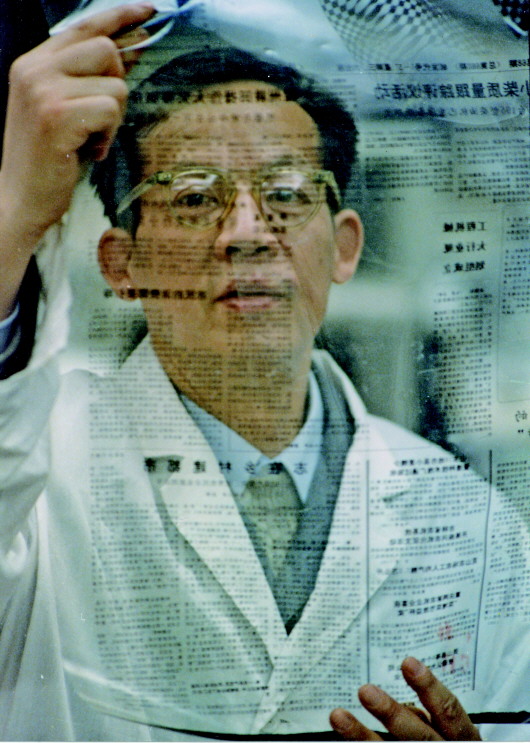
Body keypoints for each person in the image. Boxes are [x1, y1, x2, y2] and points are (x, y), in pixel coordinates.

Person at [0, 5, 527, 740]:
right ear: (122, 264)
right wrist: (13, 212)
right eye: (194, 198)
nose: (246, 234)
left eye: (285, 195)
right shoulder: (34, 476)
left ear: (344, 246)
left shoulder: (473, 523)